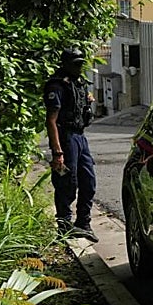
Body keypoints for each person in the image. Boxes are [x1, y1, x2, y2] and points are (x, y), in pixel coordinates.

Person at [44, 47, 97, 242]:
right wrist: (57, 151)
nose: (79, 67)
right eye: (75, 64)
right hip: (66, 137)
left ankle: (83, 223)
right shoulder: (57, 86)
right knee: (67, 181)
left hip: (80, 136)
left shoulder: (79, 84)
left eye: (81, 63)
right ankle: (64, 225)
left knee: (88, 181)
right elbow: (51, 120)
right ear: (65, 64)